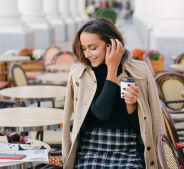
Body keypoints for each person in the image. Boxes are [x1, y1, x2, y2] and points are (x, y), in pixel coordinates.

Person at [62, 17, 166, 169]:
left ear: (111, 44)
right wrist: (112, 68)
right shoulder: (80, 74)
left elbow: (148, 124)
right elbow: (101, 113)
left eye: (92, 47)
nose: (87, 54)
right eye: (84, 48)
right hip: (92, 146)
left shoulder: (139, 71)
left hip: (127, 146)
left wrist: (131, 108)